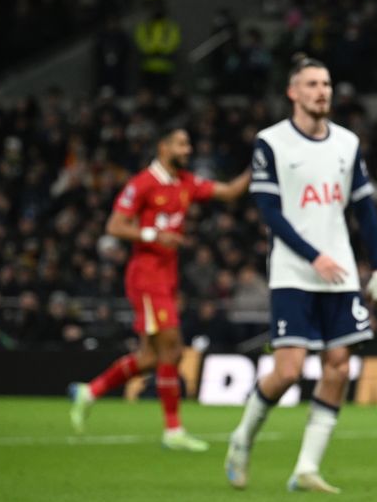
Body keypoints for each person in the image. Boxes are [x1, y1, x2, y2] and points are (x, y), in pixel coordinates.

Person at [224, 54, 377, 493]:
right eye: (313, 84)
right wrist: (311, 254)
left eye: (327, 83)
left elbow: (364, 210)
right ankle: (242, 439)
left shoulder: (347, 143)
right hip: (292, 272)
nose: (323, 91)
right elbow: (268, 211)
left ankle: (305, 469)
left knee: (338, 367)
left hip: (338, 273)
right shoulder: (271, 142)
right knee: (288, 370)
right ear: (293, 92)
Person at [68, 126, 250, 451]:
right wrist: (154, 235)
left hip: (166, 277)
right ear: (163, 146)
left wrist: (259, 166)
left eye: (189, 143)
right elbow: (114, 225)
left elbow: (229, 192)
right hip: (146, 276)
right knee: (173, 350)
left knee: (151, 357)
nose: (188, 149)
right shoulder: (142, 183)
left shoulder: (186, 182)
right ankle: (173, 430)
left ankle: (90, 391)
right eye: (182, 143)